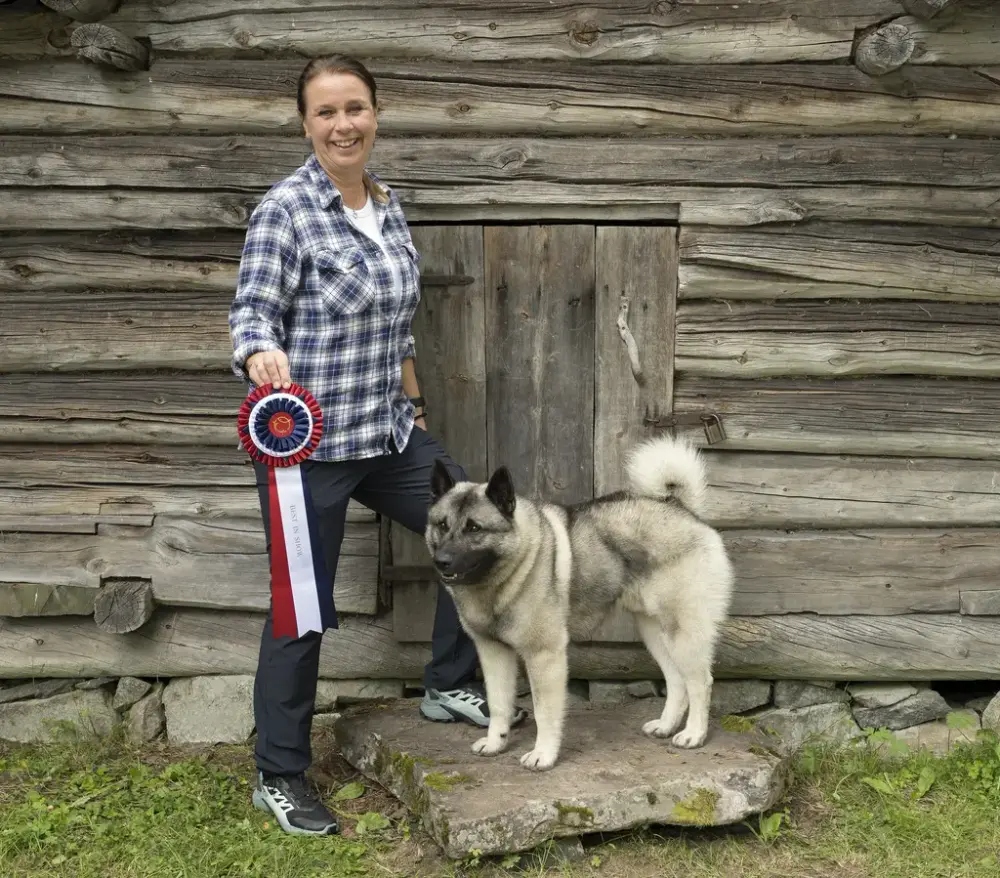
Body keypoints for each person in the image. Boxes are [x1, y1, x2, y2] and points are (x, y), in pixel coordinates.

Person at [228, 53, 525, 836]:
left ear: (376, 114)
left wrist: (417, 407)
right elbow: (252, 311)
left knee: (484, 533)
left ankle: (446, 683)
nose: (342, 125)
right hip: (307, 451)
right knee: (301, 609)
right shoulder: (285, 210)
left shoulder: (388, 206)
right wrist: (260, 354)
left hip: (387, 433)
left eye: (354, 108)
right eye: (326, 112)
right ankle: (280, 772)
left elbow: (396, 326)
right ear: (305, 124)